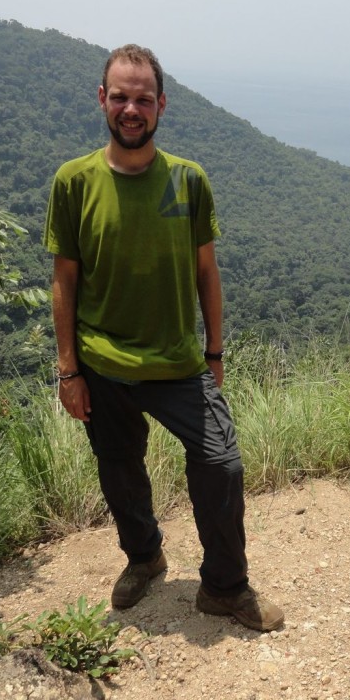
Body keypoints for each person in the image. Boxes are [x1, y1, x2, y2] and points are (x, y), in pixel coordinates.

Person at [42, 44, 283, 632]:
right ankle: (145, 558)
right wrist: (68, 368)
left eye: (142, 99)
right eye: (120, 97)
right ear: (102, 99)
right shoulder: (73, 182)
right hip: (102, 360)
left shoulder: (186, 179)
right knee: (119, 465)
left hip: (178, 360)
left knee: (220, 463)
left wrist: (215, 352)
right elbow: (64, 282)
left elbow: (207, 271)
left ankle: (224, 587)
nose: (131, 108)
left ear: (160, 106)